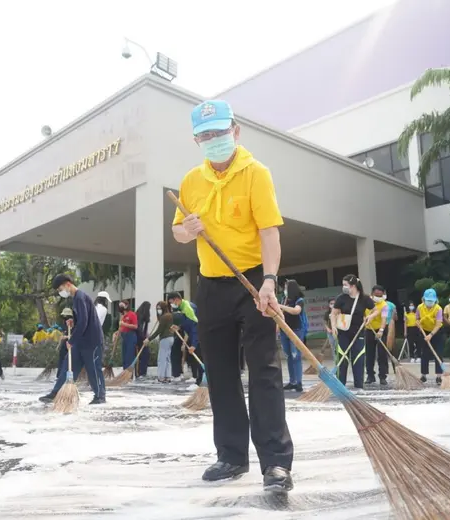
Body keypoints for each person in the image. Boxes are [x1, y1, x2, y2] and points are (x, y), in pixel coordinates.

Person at [171, 99, 293, 492]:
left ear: (235, 132)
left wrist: (269, 282)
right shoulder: (191, 181)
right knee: (220, 374)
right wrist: (187, 231)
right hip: (211, 286)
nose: (214, 140)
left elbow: (269, 232)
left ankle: (275, 462)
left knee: (264, 371)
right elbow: (177, 231)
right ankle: (231, 456)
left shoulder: (256, 173)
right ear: (196, 140)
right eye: (206, 136)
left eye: (220, 133)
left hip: (253, 281)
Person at [40, 274, 106, 404]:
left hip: (91, 342)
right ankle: (56, 392)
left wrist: (71, 340)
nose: (60, 292)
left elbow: (84, 322)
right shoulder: (76, 299)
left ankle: (100, 396)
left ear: (68, 284)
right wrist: (72, 321)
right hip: (80, 341)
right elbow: (80, 320)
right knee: (68, 367)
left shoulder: (80, 297)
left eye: (60, 289)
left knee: (93, 369)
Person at [329, 275, 378, 390]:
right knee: (343, 359)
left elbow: (376, 310)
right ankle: (340, 385)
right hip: (343, 333)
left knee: (358, 359)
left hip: (358, 333)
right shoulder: (341, 298)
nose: (343, 287)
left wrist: (370, 317)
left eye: (345, 285)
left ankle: (359, 385)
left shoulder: (364, 298)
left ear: (353, 285)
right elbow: (334, 313)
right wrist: (334, 326)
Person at [277, 280, 306, 392]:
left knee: (296, 356)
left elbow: (296, 311)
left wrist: (281, 306)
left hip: (296, 331)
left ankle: (298, 382)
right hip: (284, 331)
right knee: (288, 356)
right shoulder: (283, 300)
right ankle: (292, 381)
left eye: (285, 287)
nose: (284, 290)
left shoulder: (299, 301)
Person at [417, 289, 444, 384]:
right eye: (428, 300)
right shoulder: (420, 307)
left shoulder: (438, 309)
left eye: (431, 301)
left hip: (436, 332)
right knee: (424, 353)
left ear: (435, 300)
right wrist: (418, 324)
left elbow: (438, 324)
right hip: (424, 330)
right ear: (423, 299)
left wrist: (431, 335)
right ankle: (423, 375)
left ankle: (439, 376)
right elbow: (417, 318)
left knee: (438, 353)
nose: (429, 302)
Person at [364, 285, 390, 385]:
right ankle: (370, 376)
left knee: (381, 354)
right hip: (369, 329)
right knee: (369, 354)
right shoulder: (366, 302)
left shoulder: (384, 305)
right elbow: (363, 313)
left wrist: (381, 330)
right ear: (372, 294)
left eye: (380, 294)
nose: (378, 296)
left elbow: (384, 319)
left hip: (380, 330)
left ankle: (382, 376)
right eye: (376, 294)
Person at [144, 301, 174, 382]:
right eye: (157, 309)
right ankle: (168, 376)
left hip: (165, 338)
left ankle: (161, 377)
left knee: (161, 358)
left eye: (159, 308)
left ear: (163, 308)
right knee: (167, 358)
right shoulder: (170, 315)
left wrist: (149, 339)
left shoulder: (164, 317)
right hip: (171, 338)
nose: (158, 310)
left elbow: (159, 331)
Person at [113, 301, 138, 372]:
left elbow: (135, 326)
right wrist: (116, 333)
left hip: (130, 336)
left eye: (122, 305)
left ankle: (129, 375)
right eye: (119, 305)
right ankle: (124, 373)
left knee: (129, 356)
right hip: (124, 336)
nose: (120, 307)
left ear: (126, 306)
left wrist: (124, 324)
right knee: (124, 356)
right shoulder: (122, 316)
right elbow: (122, 328)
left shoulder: (132, 314)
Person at [135, 301, 152, 378]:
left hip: (141, 337)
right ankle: (141, 373)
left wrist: (146, 335)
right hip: (139, 337)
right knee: (145, 354)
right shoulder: (140, 317)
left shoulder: (142, 317)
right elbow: (139, 329)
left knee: (143, 354)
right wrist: (144, 337)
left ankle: (141, 372)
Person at [57, 307, 74, 378]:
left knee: (68, 360)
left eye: (66, 316)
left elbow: (75, 334)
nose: (65, 318)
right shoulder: (64, 323)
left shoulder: (73, 323)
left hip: (70, 344)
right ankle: (60, 375)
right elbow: (65, 332)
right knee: (62, 358)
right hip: (64, 344)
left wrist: (67, 337)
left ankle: (65, 375)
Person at [323, 298, 338, 365]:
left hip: (337, 332)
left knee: (337, 346)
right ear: (329, 305)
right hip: (330, 332)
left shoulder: (338, 312)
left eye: (334, 303)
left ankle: (339, 359)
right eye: (331, 303)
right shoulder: (327, 313)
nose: (333, 305)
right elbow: (325, 322)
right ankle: (335, 360)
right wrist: (328, 329)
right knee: (332, 346)